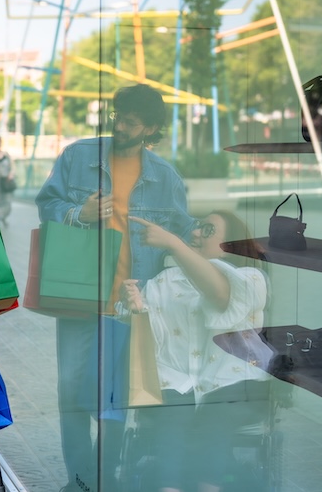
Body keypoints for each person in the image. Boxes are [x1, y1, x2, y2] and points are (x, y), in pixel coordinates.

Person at [35, 83, 196, 492]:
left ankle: (106, 477)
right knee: (71, 390)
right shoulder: (78, 156)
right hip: (78, 293)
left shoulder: (165, 177)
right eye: (117, 116)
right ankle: (80, 479)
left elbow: (183, 234)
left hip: (128, 303)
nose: (120, 126)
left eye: (130, 121)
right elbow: (47, 204)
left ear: (151, 128)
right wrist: (78, 213)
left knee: (117, 397)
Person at [118, 210, 273, 492]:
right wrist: (136, 308)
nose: (196, 233)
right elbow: (153, 335)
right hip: (179, 380)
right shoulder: (167, 280)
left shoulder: (251, 278)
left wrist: (173, 244)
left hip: (235, 381)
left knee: (214, 417)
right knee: (171, 420)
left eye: (208, 230)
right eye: (198, 227)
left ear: (232, 245)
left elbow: (221, 295)